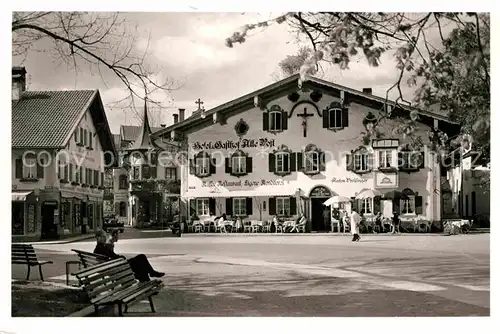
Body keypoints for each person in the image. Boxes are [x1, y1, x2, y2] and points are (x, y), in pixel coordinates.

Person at [93, 229, 164, 282]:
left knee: (140, 264)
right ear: (98, 238)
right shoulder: (101, 248)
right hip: (119, 267)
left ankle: (149, 279)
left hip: (115, 266)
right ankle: (151, 273)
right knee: (141, 258)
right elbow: (113, 256)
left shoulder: (99, 248)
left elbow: (112, 256)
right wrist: (121, 257)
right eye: (103, 236)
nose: (105, 238)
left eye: (105, 236)